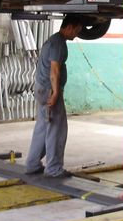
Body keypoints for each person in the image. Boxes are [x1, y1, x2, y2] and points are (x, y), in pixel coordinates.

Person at [25, 14, 84, 178]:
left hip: (41, 89)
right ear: (69, 27)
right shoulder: (58, 44)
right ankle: (54, 168)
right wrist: (56, 92)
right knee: (57, 130)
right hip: (49, 90)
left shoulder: (53, 40)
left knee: (43, 128)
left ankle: (32, 164)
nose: (77, 34)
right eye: (77, 30)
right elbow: (54, 70)